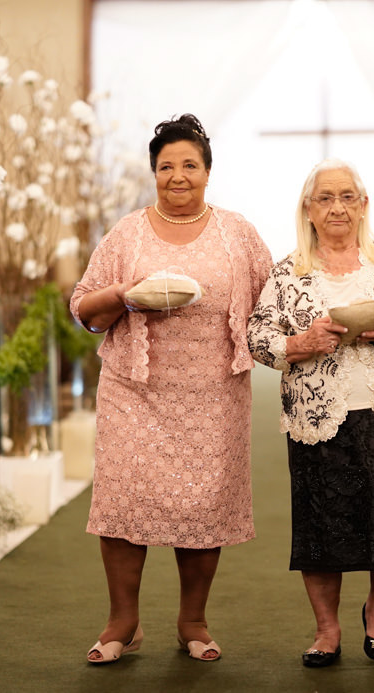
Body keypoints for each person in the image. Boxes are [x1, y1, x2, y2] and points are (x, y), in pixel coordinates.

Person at [70, 113, 271, 665]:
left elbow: (272, 305)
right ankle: (123, 621)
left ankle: (193, 620)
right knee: (123, 499)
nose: (177, 175)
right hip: (134, 391)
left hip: (213, 395)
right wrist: (125, 294)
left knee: (205, 504)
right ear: (153, 173)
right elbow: (82, 308)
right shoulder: (127, 233)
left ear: (208, 171)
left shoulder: (238, 233)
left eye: (189, 164)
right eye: (165, 166)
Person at [247, 159, 374, 667]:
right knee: (320, 526)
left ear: (363, 205)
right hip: (315, 415)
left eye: (347, 197)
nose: (337, 207)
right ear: (308, 210)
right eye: (326, 198)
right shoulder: (288, 272)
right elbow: (257, 336)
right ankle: (326, 629)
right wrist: (300, 342)